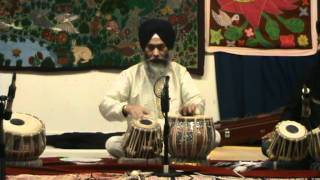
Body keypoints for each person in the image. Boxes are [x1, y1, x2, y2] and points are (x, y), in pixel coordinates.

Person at [99, 18, 220, 158]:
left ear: (168, 47)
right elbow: (105, 104)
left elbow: (197, 100)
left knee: (215, 136)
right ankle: (165, 155)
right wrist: (127, 108)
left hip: (176, 139)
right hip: (142, 140)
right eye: (150, 47)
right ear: (144, 48)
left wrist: (192, 108)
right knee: (112, 143)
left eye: (161, 47)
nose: (156, 53)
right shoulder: (130, 74)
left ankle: (159, 155)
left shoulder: (180, 72)